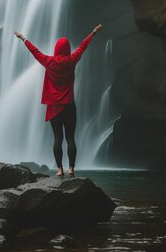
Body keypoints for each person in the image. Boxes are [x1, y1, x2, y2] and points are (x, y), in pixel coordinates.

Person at [13, 24, 103, 177]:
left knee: (57, 138)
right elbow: (83, 46)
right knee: (70, 138)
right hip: (69, 105)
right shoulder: (72, 60)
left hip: (54, 107)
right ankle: (72, 169)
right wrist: (93, 32)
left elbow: (35, 52)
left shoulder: (49, 61)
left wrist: (22, 38)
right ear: (67, 49)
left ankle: (60, 170)